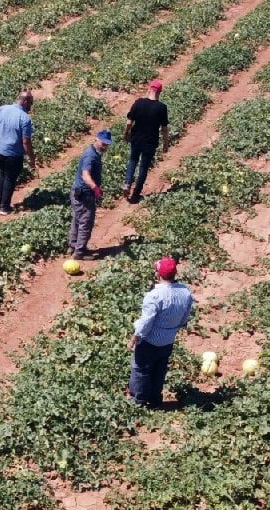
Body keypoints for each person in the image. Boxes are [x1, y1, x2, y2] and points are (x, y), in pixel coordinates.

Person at [127, 257, 193, 408]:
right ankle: (155, 400)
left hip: (150, 340)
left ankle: (138, 400)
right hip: (168, 340)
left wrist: (133, 339)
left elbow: (146, 322)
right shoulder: (185, 293)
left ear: (158, 274)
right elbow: (185, 317)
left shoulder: (155, 296)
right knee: (159, 369)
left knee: (141, 369)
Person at [0, 90, 37, 215]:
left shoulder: (2, 109)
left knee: (2, 173)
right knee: (10, 178)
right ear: (25, 101)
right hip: (13, 154)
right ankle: (5, 207)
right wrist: (31, 158)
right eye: (30, 103)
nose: (31, 106)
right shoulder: (25, 118)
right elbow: (26, 142)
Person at [121, 79, 170, 204]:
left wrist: (126, 133)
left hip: (136, 139)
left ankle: (127, 184)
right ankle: (136, 194)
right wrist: (166, 143)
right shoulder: (162, 108)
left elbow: (129, 122)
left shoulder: (138, 103)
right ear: (159, 92)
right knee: (143, 167)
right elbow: (164, 129)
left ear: (149, 89)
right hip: (150, 142)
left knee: (133, 160)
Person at [68, 129, 113, 260]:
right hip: (85, 194)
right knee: (85, 222)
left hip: (78, 192)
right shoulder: (90, 156)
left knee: (77, 219)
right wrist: (95, 188)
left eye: (107, 144)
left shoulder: (94, 153)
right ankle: (80, 251)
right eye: (103, 143)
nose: (105, 146)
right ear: (96, 139)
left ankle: (73, 245)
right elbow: (85, 175)